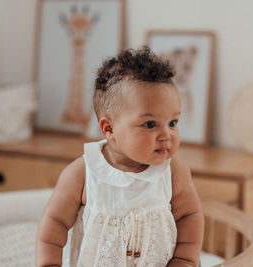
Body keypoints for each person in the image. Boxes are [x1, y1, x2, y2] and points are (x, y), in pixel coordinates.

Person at [36, 46, 204, 267]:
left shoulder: (173, 172)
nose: (167, 135)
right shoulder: (83, 173)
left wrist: (185, 259)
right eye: (150, 124)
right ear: (109, 129)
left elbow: (190, 215)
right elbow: (54, 223)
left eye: (173, 123)